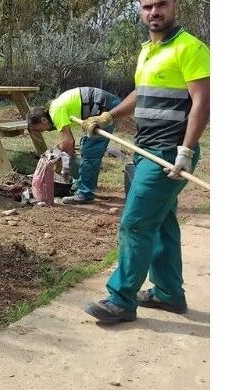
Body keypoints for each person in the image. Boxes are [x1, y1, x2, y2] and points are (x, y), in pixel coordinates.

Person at [81, 0, 210, 324]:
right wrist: (109, 114)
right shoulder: (147, 51)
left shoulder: (189, 48)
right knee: (161, 222)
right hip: (145, 148)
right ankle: (169, 294)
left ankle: (121, 300)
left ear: (174, 6)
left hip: (168, 153)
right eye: (147, 6)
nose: (154, 12)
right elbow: (141, 92)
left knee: (136, 222)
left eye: (161, 4)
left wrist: (186, 150)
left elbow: (203, 102)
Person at [26, 87, 122, 204]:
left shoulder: (55, 111)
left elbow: (68, 142)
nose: (44, 132)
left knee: (90, 151)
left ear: (43, 120)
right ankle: (80, 185)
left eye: (40, 129)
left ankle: (85, 194)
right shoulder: (54, 108)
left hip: (106, 108)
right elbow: (67, 142)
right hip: (103, 106)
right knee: (85, 145)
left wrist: (64, 164)